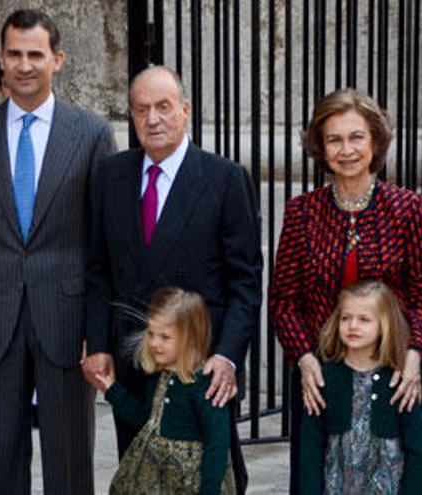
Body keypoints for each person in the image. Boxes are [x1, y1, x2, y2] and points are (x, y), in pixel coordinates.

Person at [0, 9, 116, 494]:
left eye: (35, 54)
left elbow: (102, 244)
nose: (24, 65)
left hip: (67, 319)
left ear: (57, 60)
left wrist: (97, 331)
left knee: (69, 457)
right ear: (0, 58)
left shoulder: (91, 134)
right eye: (14, 54)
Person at [84, 65, 261, 494]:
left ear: (184, 111)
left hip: (199, 366)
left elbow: (246, 281)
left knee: (211, 474)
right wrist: (99, 343)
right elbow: (98, 269)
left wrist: (228, 356)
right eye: (141, 109)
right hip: (132, 357)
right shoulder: (110, 175)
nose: (153, 119)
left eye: (163, 107)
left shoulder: (224, 178)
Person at [268, 88, 422, 493]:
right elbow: (283, 299)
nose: (346, 149)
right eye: (334, 139)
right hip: (321, 378)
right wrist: (305, 359)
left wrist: (413, 356)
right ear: (321, 148)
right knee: (314, 476)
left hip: (390, 372)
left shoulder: (406, 208)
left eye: (356, 137)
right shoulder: (301, 212)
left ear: (375, 141)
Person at [93, 287, 236, 494]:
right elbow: (146, 417)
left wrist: (209, 490)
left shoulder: (205, 385)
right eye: (150, 333)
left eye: (165, 337)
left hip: (189, 486)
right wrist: (111, 389)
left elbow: (218, 444)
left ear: (190, 338)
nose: (154, 343)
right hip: (155, 480)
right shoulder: (158, 377)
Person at [299, 280, 422, 494]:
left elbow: (416, 450)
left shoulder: (399, 380)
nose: (353, 326)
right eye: (346, 318)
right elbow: (310, 449)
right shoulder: (324, 377)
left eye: (364, 319)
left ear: (384, 325)